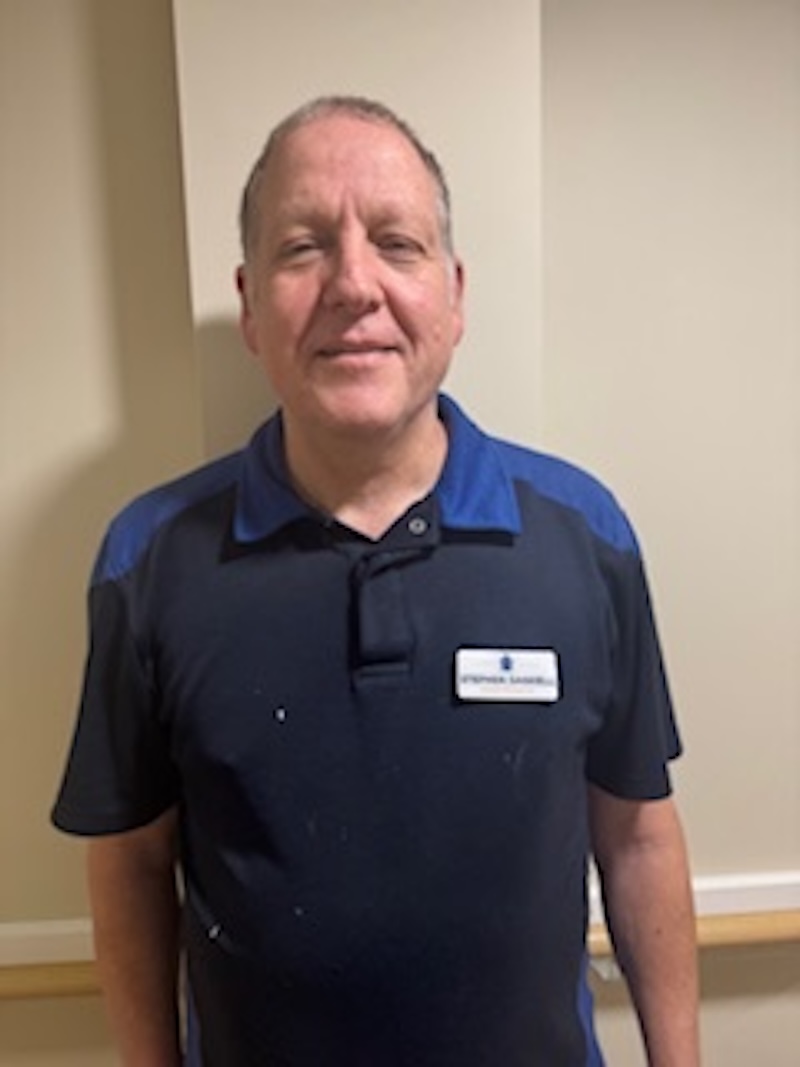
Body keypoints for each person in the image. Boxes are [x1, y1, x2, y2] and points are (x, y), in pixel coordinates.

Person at [53, 95, 700, 1066]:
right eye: (302, 247)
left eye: (396, 243)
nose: (354, 284)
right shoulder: (147, 560)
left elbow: (638, 834)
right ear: (250, 304)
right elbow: (133, 860)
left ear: (453, 294)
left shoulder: (584, 535)